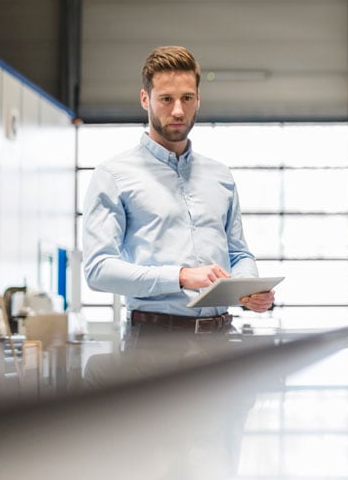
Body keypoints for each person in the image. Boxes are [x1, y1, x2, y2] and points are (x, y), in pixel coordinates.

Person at [82, 45, 274, 346]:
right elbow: (98, 269)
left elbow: (238, 254)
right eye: (166, 99)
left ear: (198, 100)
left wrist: (247, 290)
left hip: (222, 339)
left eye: (187, 98)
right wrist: (180, 276)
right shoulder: (113, 175)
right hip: (154, 342)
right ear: (145, 99)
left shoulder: (220, 176)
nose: (178, 111)